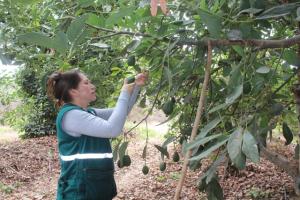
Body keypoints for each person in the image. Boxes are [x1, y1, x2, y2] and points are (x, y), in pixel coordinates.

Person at [46, 69, 148, 200]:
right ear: (73, 91)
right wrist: (123, 93)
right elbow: (113, 129)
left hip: (94, 189)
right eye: (86, 83)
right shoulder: (71, 115)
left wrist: (136, 87)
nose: (92, 86)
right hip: (79, 193)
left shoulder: (88, 112)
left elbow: (122, 112)